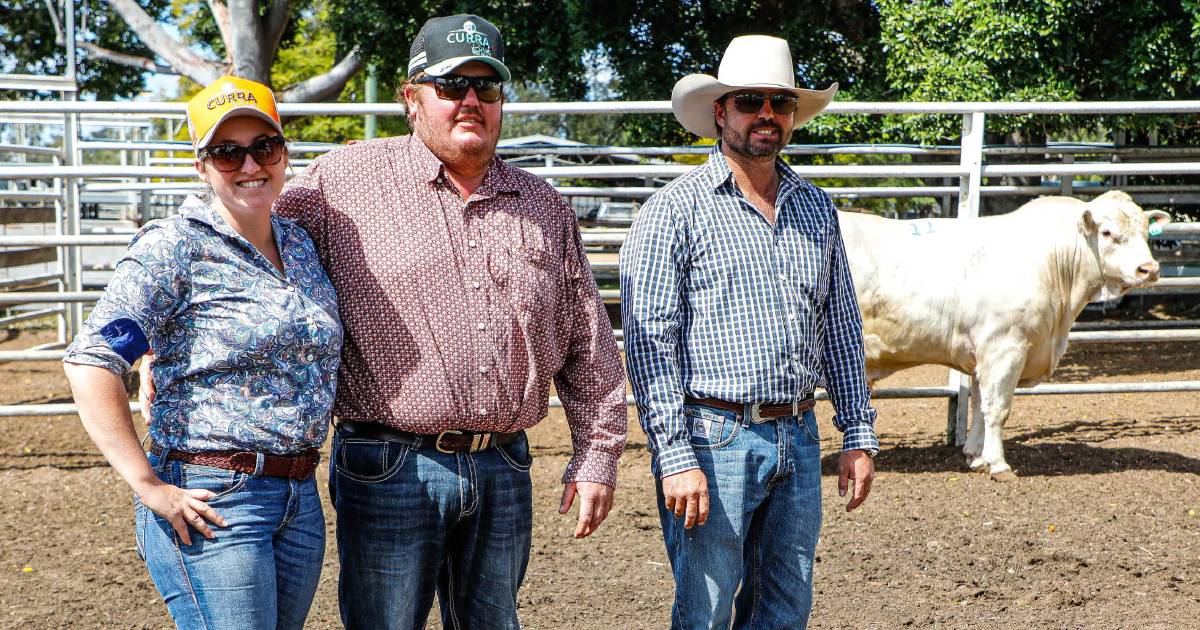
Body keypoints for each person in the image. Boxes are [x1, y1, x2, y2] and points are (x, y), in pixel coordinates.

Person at [272, 14, 627, 630]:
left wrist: (596, 456)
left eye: (486, 88)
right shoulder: (343, 182)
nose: (471, 100)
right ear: (411, 98)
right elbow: (249, 244)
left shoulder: (543, 206)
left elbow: (588, 344)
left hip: (505, 464)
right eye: (452, 84)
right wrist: (167, 327)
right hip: (386, 461)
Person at [63, 76, 342, 629]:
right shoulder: (175, 245)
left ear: (284, 154)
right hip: (214, 496)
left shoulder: (300, 243)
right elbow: (93, 358)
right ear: (202, 165)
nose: (249, 165)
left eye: (264, 147)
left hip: (298, 495)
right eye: (226, 152)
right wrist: (147, 486)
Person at [620, 35, 878, 629]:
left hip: (798, 428)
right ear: (720, 111)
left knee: (786, 606)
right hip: (714, 436)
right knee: (705, 608)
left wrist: (858, 431)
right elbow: (650, 341)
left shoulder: (815, 208)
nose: (767, 114)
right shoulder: (674, 210)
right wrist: (674, 454)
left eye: (780, 103)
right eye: (750, 101)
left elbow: (839, 322)